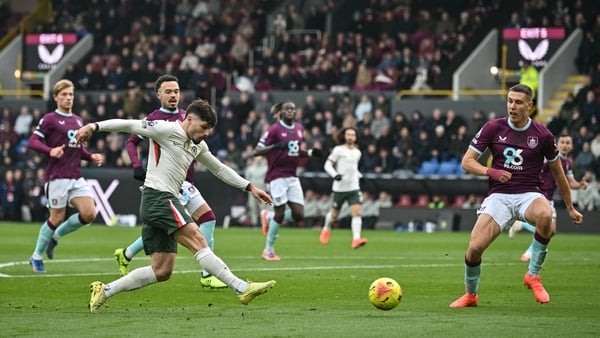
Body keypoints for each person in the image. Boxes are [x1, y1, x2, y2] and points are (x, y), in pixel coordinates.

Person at [75, 98, 276, 312]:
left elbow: (219, 168)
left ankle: (104, 290)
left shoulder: (197, 144)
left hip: (164, 200)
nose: (207, 133)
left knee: (162, 270)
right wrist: (94, 126)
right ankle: (242, 288)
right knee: (198, 238)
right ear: (189, 120)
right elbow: (129, 124)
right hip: (159, 197)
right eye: (204, 127)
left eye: (210, 129)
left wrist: (250, 187)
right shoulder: (165, 129)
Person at [449, 84, 583, 308]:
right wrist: (491, 171)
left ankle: (533, 275)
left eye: (518, 102)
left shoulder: (543, 135)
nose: (512, 106)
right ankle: (471, 296)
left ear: (529, 106)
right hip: (499, 196)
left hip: (529, 194)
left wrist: (569, 207)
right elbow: (467, 162)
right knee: (474, 249)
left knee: (545, 215)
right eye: (510, 101)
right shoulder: (493, 127)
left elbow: (559, 173)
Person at [113, 74, 226, 289]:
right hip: (165, 183)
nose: (173, 95)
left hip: (186, 182)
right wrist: (136, 165)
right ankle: (207, 274)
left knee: (206, 218)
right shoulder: (154, 117)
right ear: (158, 94)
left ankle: (126, 253)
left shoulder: (187, 116)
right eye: (168, 92)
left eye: (176, 91)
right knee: (186, 223)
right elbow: (131, 140)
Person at [27, 79, 104, 273]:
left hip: (75, 175)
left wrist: (90, 156)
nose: (68, 98)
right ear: (56, 97)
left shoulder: (78, 120)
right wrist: (50, 150)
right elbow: (33, 141)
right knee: (57, 217)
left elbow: (75, 149)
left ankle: (56, 237)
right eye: (64, 95)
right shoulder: (50, 119)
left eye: (70, 94)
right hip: (57, 176)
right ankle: (36, 256)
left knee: (89, 213)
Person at [253, 101, 323, 261]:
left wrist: (311, 153)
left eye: (293, 108)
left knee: (299, 215)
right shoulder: (274, 129)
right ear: (281, 112)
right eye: (287, 109)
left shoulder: (299, 129)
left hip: (292, 176)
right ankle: (268, 250)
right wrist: (276, 146)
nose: (291, 111)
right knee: (280, 212)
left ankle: (268, 217)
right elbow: (257, 151)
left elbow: (295, 151)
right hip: (276, 176)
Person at [508, 134, 588, 262]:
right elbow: (535, 165)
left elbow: (571, 183)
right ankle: (523, 231)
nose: (565, 145)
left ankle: (528, 249)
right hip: (539, 195)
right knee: (547, 228)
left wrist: (580, 185)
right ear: (557, 144)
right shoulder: (549, 158)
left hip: (549, 198)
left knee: (551, 231)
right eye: (562, 142)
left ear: (572, 146)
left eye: (568, 143)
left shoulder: (567, 163)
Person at [319, 127, 368, 248]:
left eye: (353, 135)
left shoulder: (357, 152)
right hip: (340, 188)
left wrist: (360, 176)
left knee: (357, 212)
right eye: (348, 135)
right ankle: (326, 228)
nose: (350, 137)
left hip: (353, 187)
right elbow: (327, 164)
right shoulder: (338, 150)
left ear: (356, 137)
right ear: (344, 136)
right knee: (334, 215)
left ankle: (356, 239)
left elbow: (353, 168)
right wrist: (335, 175)